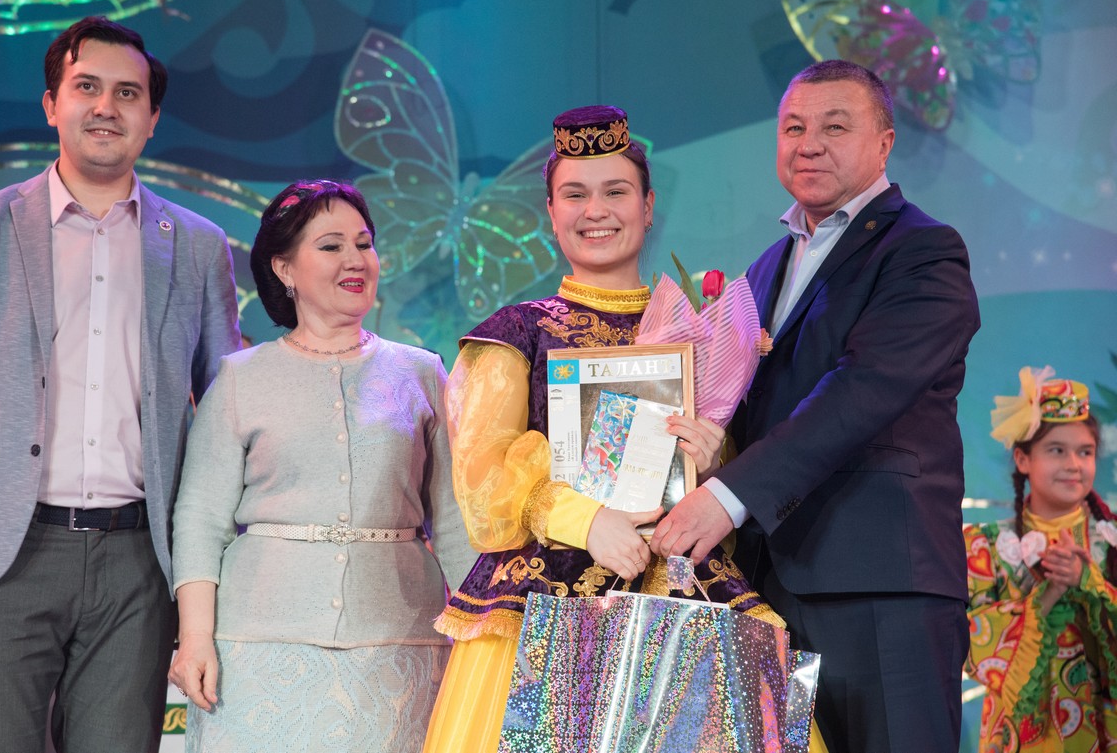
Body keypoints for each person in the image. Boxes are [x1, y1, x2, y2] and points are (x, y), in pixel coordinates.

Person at [0, 16, 241, 751]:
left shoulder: (197, 246)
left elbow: (227, 417)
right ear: (51, 105)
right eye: (86, 86)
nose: (106, 107)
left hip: (138, 566)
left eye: (128, 93)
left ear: (152, 119)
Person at [422, 105, 779, 753]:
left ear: (648, 206)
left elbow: (735, 488)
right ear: (550, 210)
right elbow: (482, 482)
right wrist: (587, 521)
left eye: (616, 191)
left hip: (685, 590)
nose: (596, 210)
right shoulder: (516, 334)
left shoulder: (702, 334)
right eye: (575, 194)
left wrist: (712, 458)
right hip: (546, 599)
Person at [650, 59, 981, 753]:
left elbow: (862, 392)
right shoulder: (769, 265)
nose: (809, 145)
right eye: (794, 128)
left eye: (835, 127)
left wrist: (726, 495)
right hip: (771, 587)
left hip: (881, 588)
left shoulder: (923, 251)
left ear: (884, 143)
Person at [168, 179, 476, 753]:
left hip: (398, 646)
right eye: (331, 246)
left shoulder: (421, 372)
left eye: (364, 244)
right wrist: (195, 637)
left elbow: (457, 522)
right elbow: (200, 520)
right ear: (284, 268)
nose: (355, 260)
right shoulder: (240, 377)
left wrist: (480, 636)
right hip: (257, 649)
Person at [964, 367, 1117, 752]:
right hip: (1020, 735)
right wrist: (1046, 597)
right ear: (1022, 458)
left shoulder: (1111, 540)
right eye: (1056, 450)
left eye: (1085, 452)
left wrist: (1090, 582)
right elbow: (965, 642)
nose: (1073, 464)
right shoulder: (986, 546)